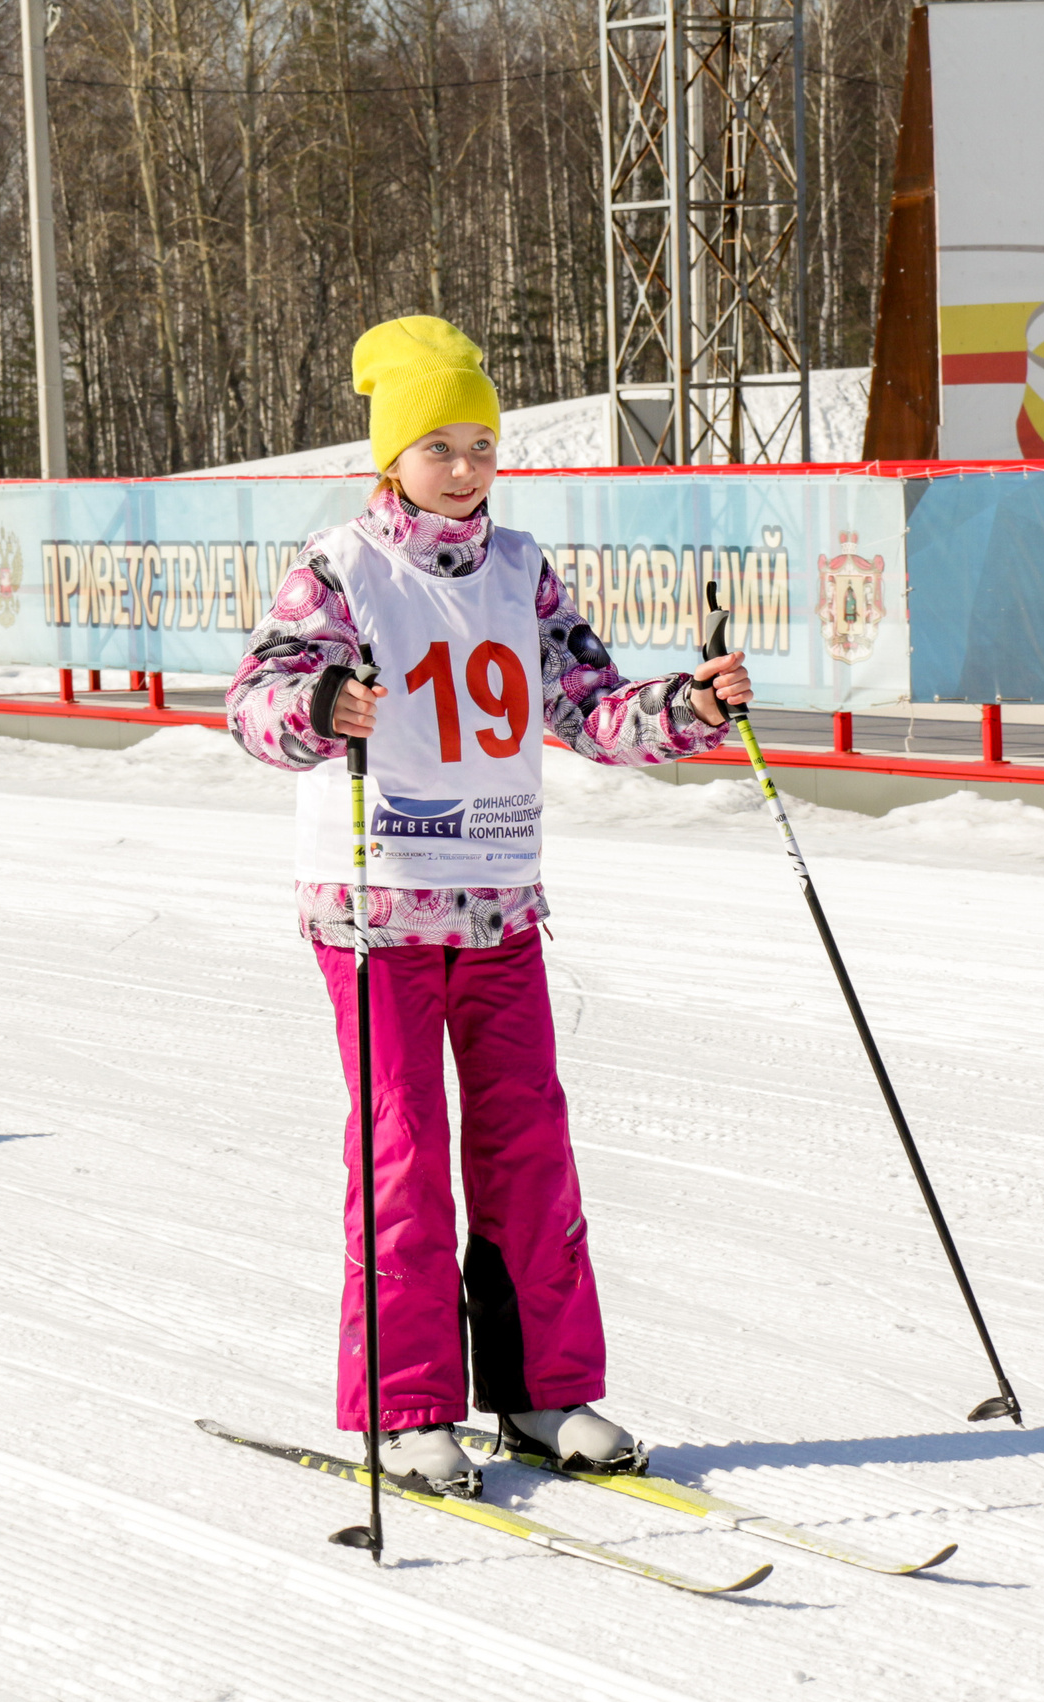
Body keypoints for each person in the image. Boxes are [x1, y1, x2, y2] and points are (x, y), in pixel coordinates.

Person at [226, 316, 753, 1497]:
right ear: (390, 456)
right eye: (438, 446)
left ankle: (541, 1392)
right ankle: (410, 1407)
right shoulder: (341, 567)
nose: (463, 468)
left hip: (501, 906)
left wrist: (692, 708)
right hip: (377, 909)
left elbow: (590, 706)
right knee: (405, 1150)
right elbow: (255, 705)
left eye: (479, 443)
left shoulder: (522, 567)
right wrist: (320, 702)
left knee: (529, 1150)